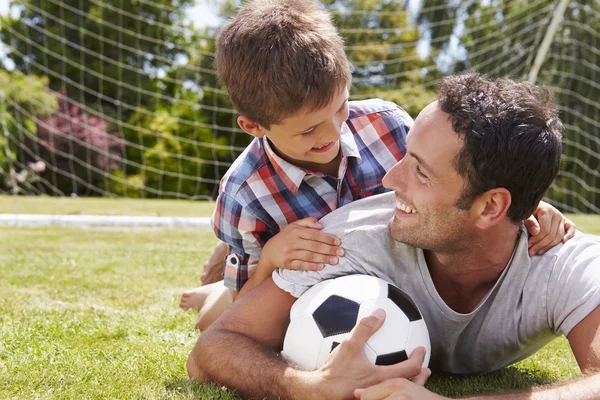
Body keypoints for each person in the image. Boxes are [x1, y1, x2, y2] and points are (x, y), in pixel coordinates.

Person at [186, 73, 600, 400]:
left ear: (491, 208)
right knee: (223, 304)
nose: (389, 178)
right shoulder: (345, 239)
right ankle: (217, 284)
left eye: (419, 171)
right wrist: (302, 386)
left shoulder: (561, 257)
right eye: (403, 155)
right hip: (275, 257)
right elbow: (213, 348)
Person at [179, 0, 573, 331]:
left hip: (378, 273)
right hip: (289, 284)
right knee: (214, 318)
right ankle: (212, 287)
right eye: (310, 129)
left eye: (340, 107)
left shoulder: (389, 125)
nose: (333, 132)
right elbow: (242, 315)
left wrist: (528, 207)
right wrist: (269, 258)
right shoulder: (244, 194)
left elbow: (460, 183)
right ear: (254, 127)